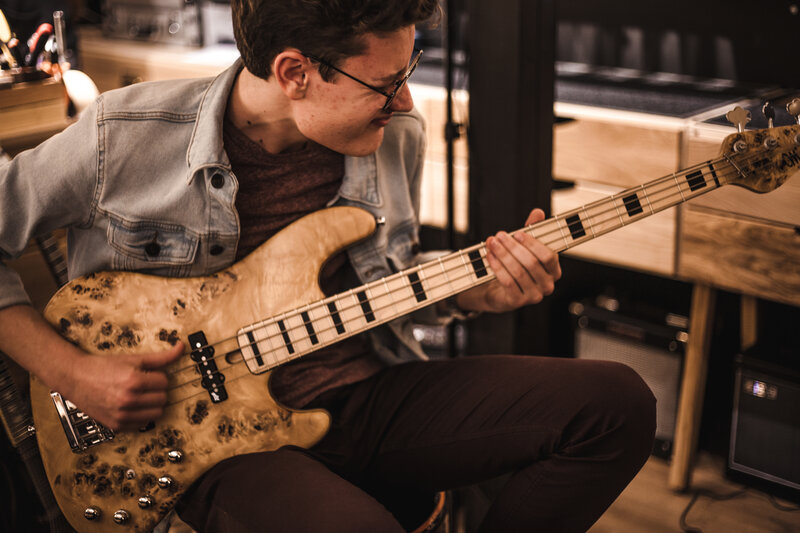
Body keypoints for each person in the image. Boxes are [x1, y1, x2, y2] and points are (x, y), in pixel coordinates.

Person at [0, 0, 656, 531]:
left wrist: (475, 292)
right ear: (295, 73)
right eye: (386, 83)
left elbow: (388, 275)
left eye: (408, 71)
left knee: (615, 405)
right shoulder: (125, 135)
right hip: (209, 438)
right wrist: (73, 372)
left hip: (364, 396)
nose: (405, 101)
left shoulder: (394, 135)